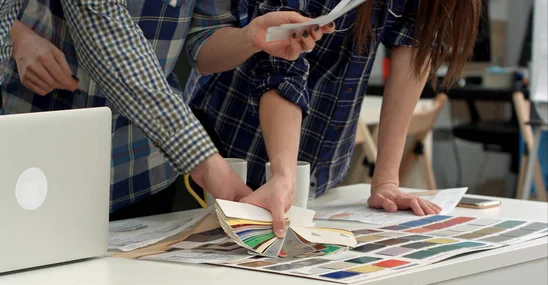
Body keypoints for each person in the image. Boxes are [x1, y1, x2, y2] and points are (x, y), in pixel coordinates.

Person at [3, 0, 333, 220]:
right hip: (35, 154)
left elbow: (204, 44)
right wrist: (16, 36)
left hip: (139, 166)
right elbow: (108, 41)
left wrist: (250, 38)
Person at [185, 0, 482, 236]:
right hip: (227, 149)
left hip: (317, 168)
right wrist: (284, 174)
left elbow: (415, 45)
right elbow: (281, 62)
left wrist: (386, 181)